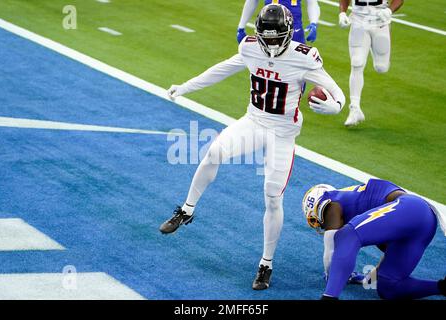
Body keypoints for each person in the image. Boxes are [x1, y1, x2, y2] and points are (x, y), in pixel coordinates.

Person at [160, 4, 345, 290]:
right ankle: (187, 209)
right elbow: (222, 69)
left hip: (282, 132)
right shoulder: (250, 47)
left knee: (272, 196)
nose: (269, 44)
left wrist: (333, 108)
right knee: (215, 151)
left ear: (287, 33)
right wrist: (185, 87)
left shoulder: (304, 57)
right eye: (265, 37)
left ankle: (266, 264)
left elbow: (337, 94)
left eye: (275, 38)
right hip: (254, 121)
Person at [301, 178, 446, 299]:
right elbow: (389, 248)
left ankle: (329, 298)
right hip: (423, 223)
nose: (322, 224)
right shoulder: (363, 210)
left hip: (412, 208)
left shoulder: (330, 202)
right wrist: (369, 275)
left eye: (316, 220)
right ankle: (442, 287)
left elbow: (332, 246)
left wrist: (331, 274)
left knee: (346, 235)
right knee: (387, 285)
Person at [338, 0, 404, 126]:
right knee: (357, 62)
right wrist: (342, 13)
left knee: (381, 67)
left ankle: (372, 47)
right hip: (358, 21)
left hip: (380, 21)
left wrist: (389, 10)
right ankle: (354, 108)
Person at [237, 0, 320, 44]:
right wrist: (241, 27)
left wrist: (314, 23)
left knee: (298, 65)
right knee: (267, 65)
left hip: (294, 29)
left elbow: (312, 2)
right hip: (269, 26)